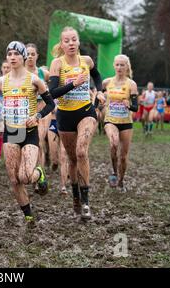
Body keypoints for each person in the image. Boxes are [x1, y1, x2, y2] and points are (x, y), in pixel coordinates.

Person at [0, 41, 55, 225]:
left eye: (16, 54)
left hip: (29, 132)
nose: (13, 57)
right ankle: (28, 215)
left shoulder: (34, 80)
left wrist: (38, 115)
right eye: (10, 54)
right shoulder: (1, 81)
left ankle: (39, 173)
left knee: (25, 176)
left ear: (23, 57)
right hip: (11, 133)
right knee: (14, 179)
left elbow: (50, 104)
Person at [48, 27, 104, 220]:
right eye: (67, 40)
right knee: (72, 159)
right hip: (65, 115)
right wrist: (74, 84)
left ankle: (87, 201)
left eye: (74, 40)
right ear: (62, 44)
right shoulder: (57, 64)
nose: (71, 43)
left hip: (85, 112)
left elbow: (97, 75)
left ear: (78, 42)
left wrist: (100, 91)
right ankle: (75, 197)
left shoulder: (86, 61)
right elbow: (52, 93)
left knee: (82, 152)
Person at [103, 55, 138, 192]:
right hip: (110, 120)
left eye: (122, 65)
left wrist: (128, 104)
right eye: (117, 65)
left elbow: (135, 107)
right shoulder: (106, 82)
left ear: (126, 67)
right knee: (113, 143)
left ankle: (121, 179)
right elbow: (98, 97)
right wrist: (98, 100)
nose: (119, 67)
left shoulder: (131, 84)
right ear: (113, 66)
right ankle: (114, 172)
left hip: (126, 122)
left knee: (123, 156)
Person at [25, 43, 51, 192]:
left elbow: (55, 86)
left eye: (32, 54)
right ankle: (35, 171)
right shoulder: (20, 73)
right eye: (27, 54)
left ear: (37, 56)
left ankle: (39, 176)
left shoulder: (43, 73)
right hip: (27, 110)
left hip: (42, 111)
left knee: (39, 141)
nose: (29, 56)